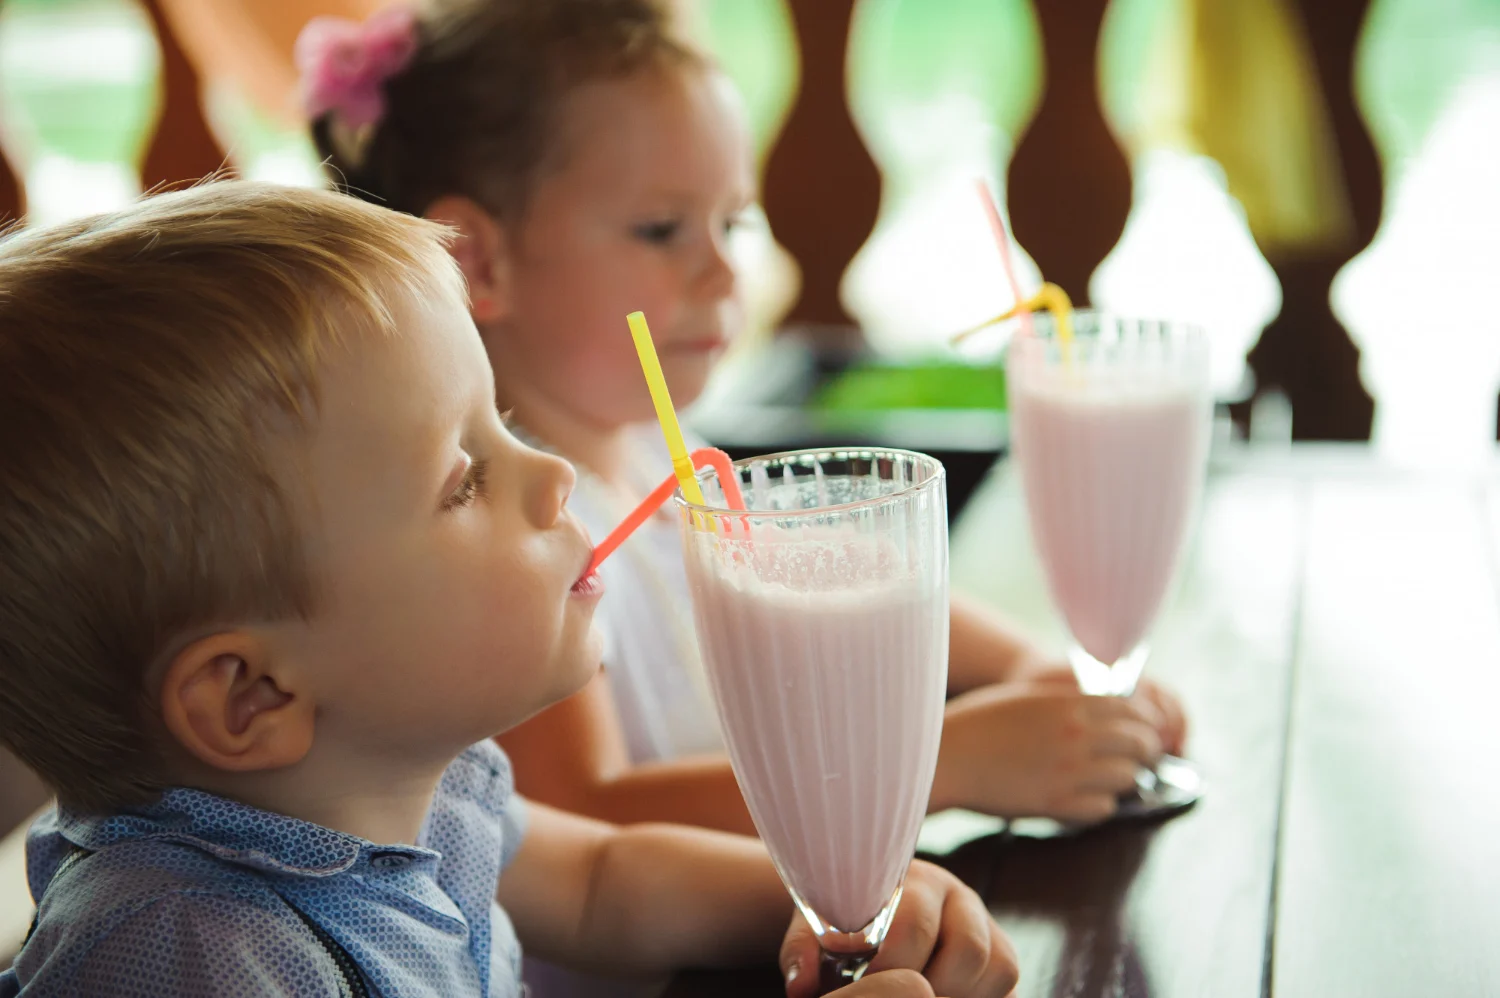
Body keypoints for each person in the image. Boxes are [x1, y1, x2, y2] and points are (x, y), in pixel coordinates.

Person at [0, 182, 1019, 998]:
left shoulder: (404, 785)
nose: (554, 473)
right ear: (251, 696)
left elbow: (603, 883)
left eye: (506, 424)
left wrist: (833, 910)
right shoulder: (197, 953)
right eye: (465, 479)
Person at [303, 0, 1187, 836]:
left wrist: (1038, 673)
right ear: (475, 262)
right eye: (662, 229)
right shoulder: (510, 535)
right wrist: (936, 764)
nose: (726, 273)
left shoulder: (651, 450)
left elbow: (849, 575)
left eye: (734, 223)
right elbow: (585, 818)